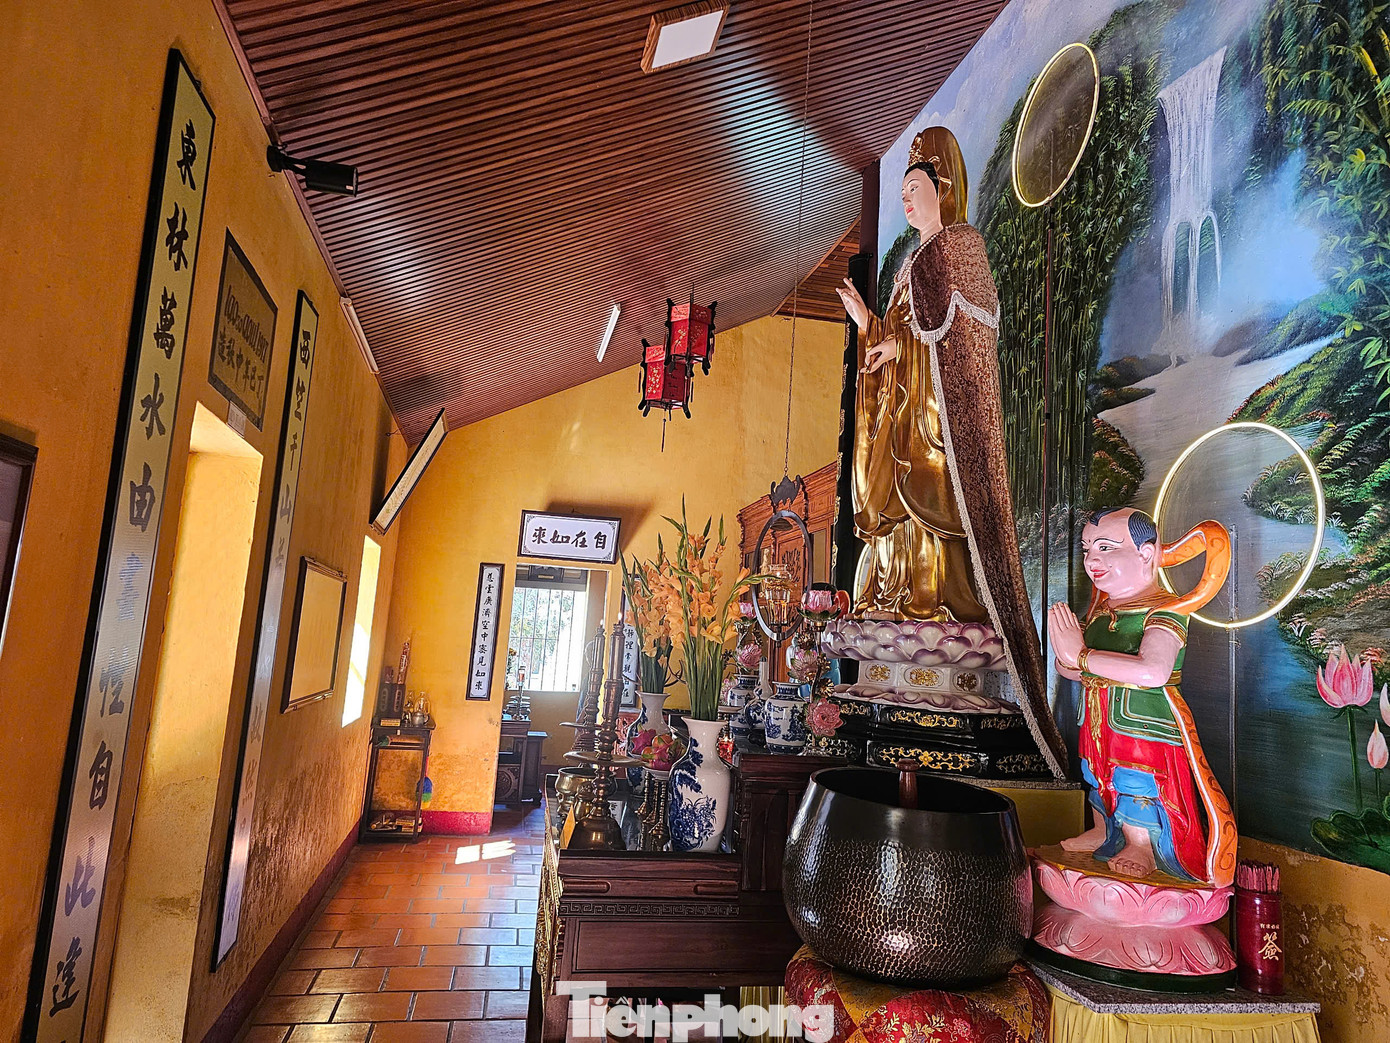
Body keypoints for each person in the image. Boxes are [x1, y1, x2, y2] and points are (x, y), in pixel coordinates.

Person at [837, 127, 1068, 776]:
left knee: (937, 512)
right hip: (903, 422)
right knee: (892, 520)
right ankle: (898, 605)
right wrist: (870, 328)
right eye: (903, 193)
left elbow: (961, 343)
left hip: (937, 428)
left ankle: (944, 606)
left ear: (945, 190)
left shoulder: (961, 247)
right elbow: (899, 341)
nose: (908, 201)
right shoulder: (907, 265)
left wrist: (902, 347)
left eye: (916, 188)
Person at [1048, 507, 1237, 885]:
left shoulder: (1164, 610)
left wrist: (1080, 655)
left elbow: (1153, 671)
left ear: (1146, 553)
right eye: (1087, 549)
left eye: (1105, 548)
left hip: (1142, 723)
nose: (1092, 560)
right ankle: (1104, 830)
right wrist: (1067, 657)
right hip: (1099, 715)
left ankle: (1142, 844)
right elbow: (1077, 669)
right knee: (1095, 774)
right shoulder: (1103, 609)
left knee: (1134, 781)